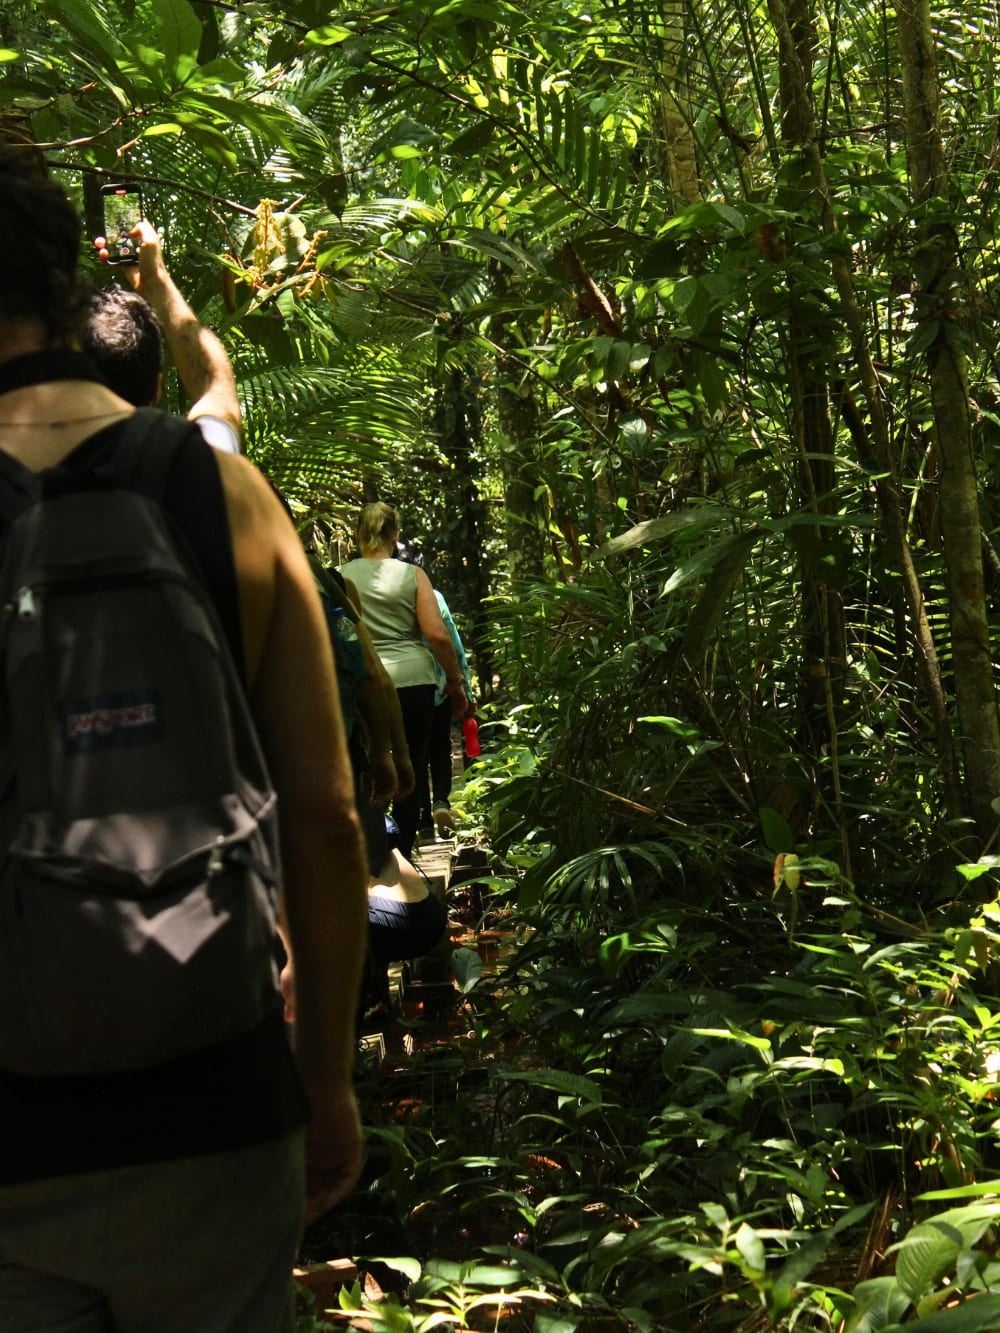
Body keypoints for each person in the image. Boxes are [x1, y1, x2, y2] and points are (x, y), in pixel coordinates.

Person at [0, 132, 368, 1332]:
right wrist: (325, 1080)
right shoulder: (219, 487)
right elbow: (325, 815)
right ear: (62, 283)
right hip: (214, 1110)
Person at [340, 502, 467, 860]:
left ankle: (377, 854)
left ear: (357, 535)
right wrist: (455, 683)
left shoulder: (339, 576)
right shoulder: (412, 576)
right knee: (409, 762)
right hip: (414, 682)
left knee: (366, 766)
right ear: (395, 537)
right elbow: (438, 636)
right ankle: (405, 853)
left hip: (362, 685)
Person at [84, 219, 242, 453]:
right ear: (155, 388)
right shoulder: (196, 463)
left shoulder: (26, 474)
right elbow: (216, 388)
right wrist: (157, 281)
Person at [419, 587, 475, 837]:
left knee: (412, 751)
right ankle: (440, 801)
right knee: (440, 747)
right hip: (437, 686)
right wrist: (464, 688)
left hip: (396, 685)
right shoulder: (432, 596)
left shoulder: (376, 591)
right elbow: (450, 641)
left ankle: (421, 820)